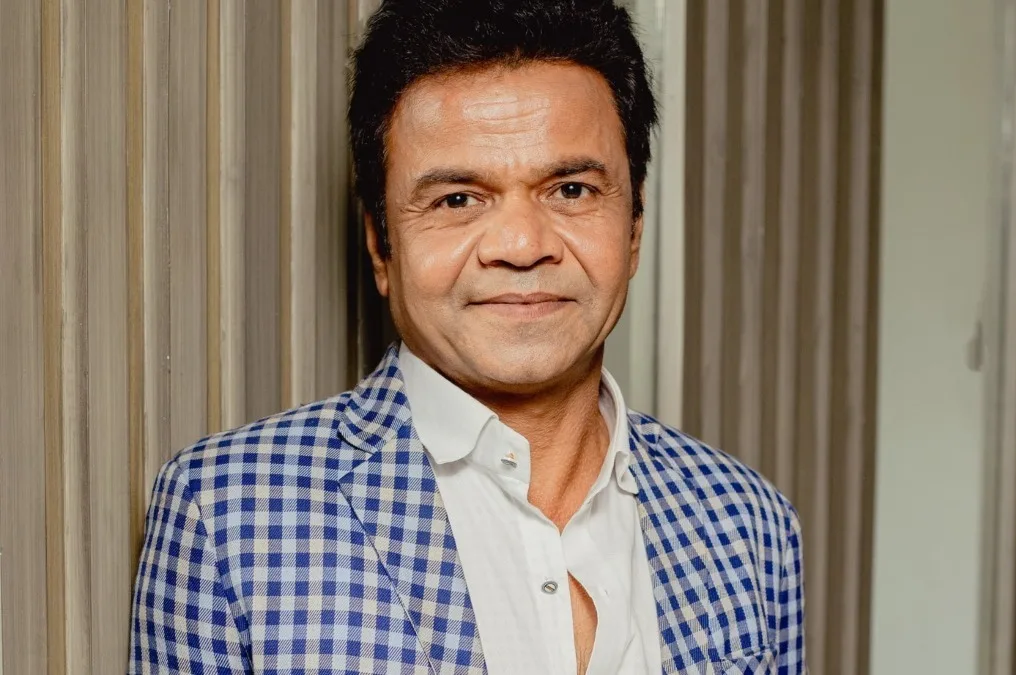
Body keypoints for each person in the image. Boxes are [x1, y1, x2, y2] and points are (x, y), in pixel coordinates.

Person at [128, 0, 805, 673]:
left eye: (571, 190)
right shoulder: (229, 515)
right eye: (457, 199)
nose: (522, 245)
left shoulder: (747, 523)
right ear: (381, 245)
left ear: (634, 226)